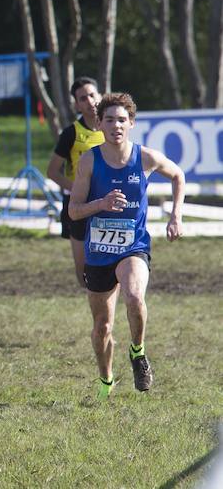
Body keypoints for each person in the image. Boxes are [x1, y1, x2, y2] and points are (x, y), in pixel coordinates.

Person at [69, 92, 184, 400]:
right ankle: (106, 382)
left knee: (134, 297)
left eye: (122, 120)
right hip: (98, 251)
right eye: (109, 120)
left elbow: (178, 176)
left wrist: (175, 215)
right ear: (99, 123)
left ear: (131, 123)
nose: (116, 125)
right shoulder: (90, 160)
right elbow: (73, 210)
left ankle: (138, 351)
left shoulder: (145, 157)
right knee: (102, 327)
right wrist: (101, 203)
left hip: (133, 245)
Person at [46, 77, 104, 287]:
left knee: (109, 265)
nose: (89, 101)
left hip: (106, 206)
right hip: (77, 206)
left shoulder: (113, 129)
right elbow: (52, 171)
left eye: (92, 95)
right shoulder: (71, 133)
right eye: (83, 98)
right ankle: (96, 311)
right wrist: (80, 190)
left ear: (100, 95)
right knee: (83, 272)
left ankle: (105, 315)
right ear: (76, 104)